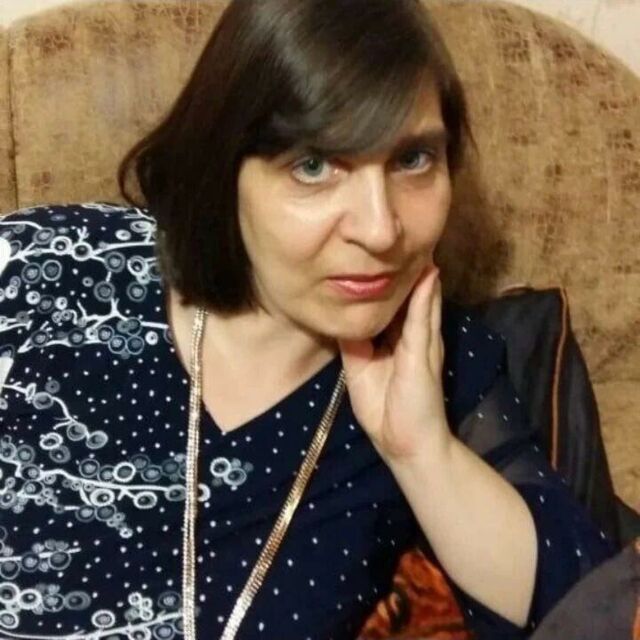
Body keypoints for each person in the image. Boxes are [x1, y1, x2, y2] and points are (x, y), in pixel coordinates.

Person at [0, 0, 617, 638]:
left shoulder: (441, 362)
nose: (381, 230)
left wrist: (421, 453)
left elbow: (592, 604)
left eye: (412, 160)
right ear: (223, 168)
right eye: (314, 166)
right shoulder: (51, 263)